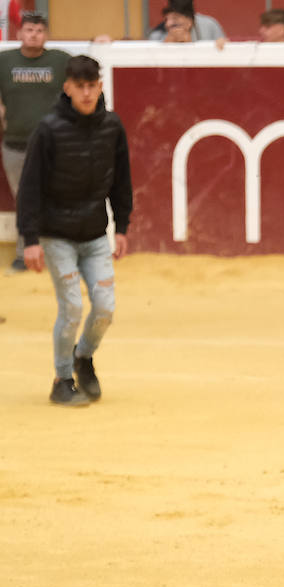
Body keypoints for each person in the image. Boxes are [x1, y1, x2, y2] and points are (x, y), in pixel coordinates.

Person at [18, 55, 132, 407]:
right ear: (67, 88)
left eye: (92, 86)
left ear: (100, 86)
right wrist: (31, 239)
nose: (86, 93)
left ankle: (84, 358)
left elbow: (121, 180)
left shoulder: (112, 126)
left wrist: (122, 227)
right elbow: (30, 185)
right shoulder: (49, 129)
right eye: (79, 86)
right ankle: (62, 379)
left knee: (104, 308)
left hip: (96, 234)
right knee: (70, 308)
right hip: (57, 236)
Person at [0, 11, 69, 272]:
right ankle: (24, 254)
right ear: (19, 34)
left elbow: (85, 78)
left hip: (52, 144)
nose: (34, 35)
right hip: (15, 143)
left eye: (39, 31)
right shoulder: (4, 61)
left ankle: (55, 255)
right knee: (24, 200)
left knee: (55, 197)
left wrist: (100, 40)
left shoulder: (60, 60)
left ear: (46, 35)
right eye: (29, 30)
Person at [147, 0, 227, 42]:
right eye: (166, 19)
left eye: (176, 18)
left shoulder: (210, 26)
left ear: (190, 21)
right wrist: (166, 45)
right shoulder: (157, 34)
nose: (168, 24)